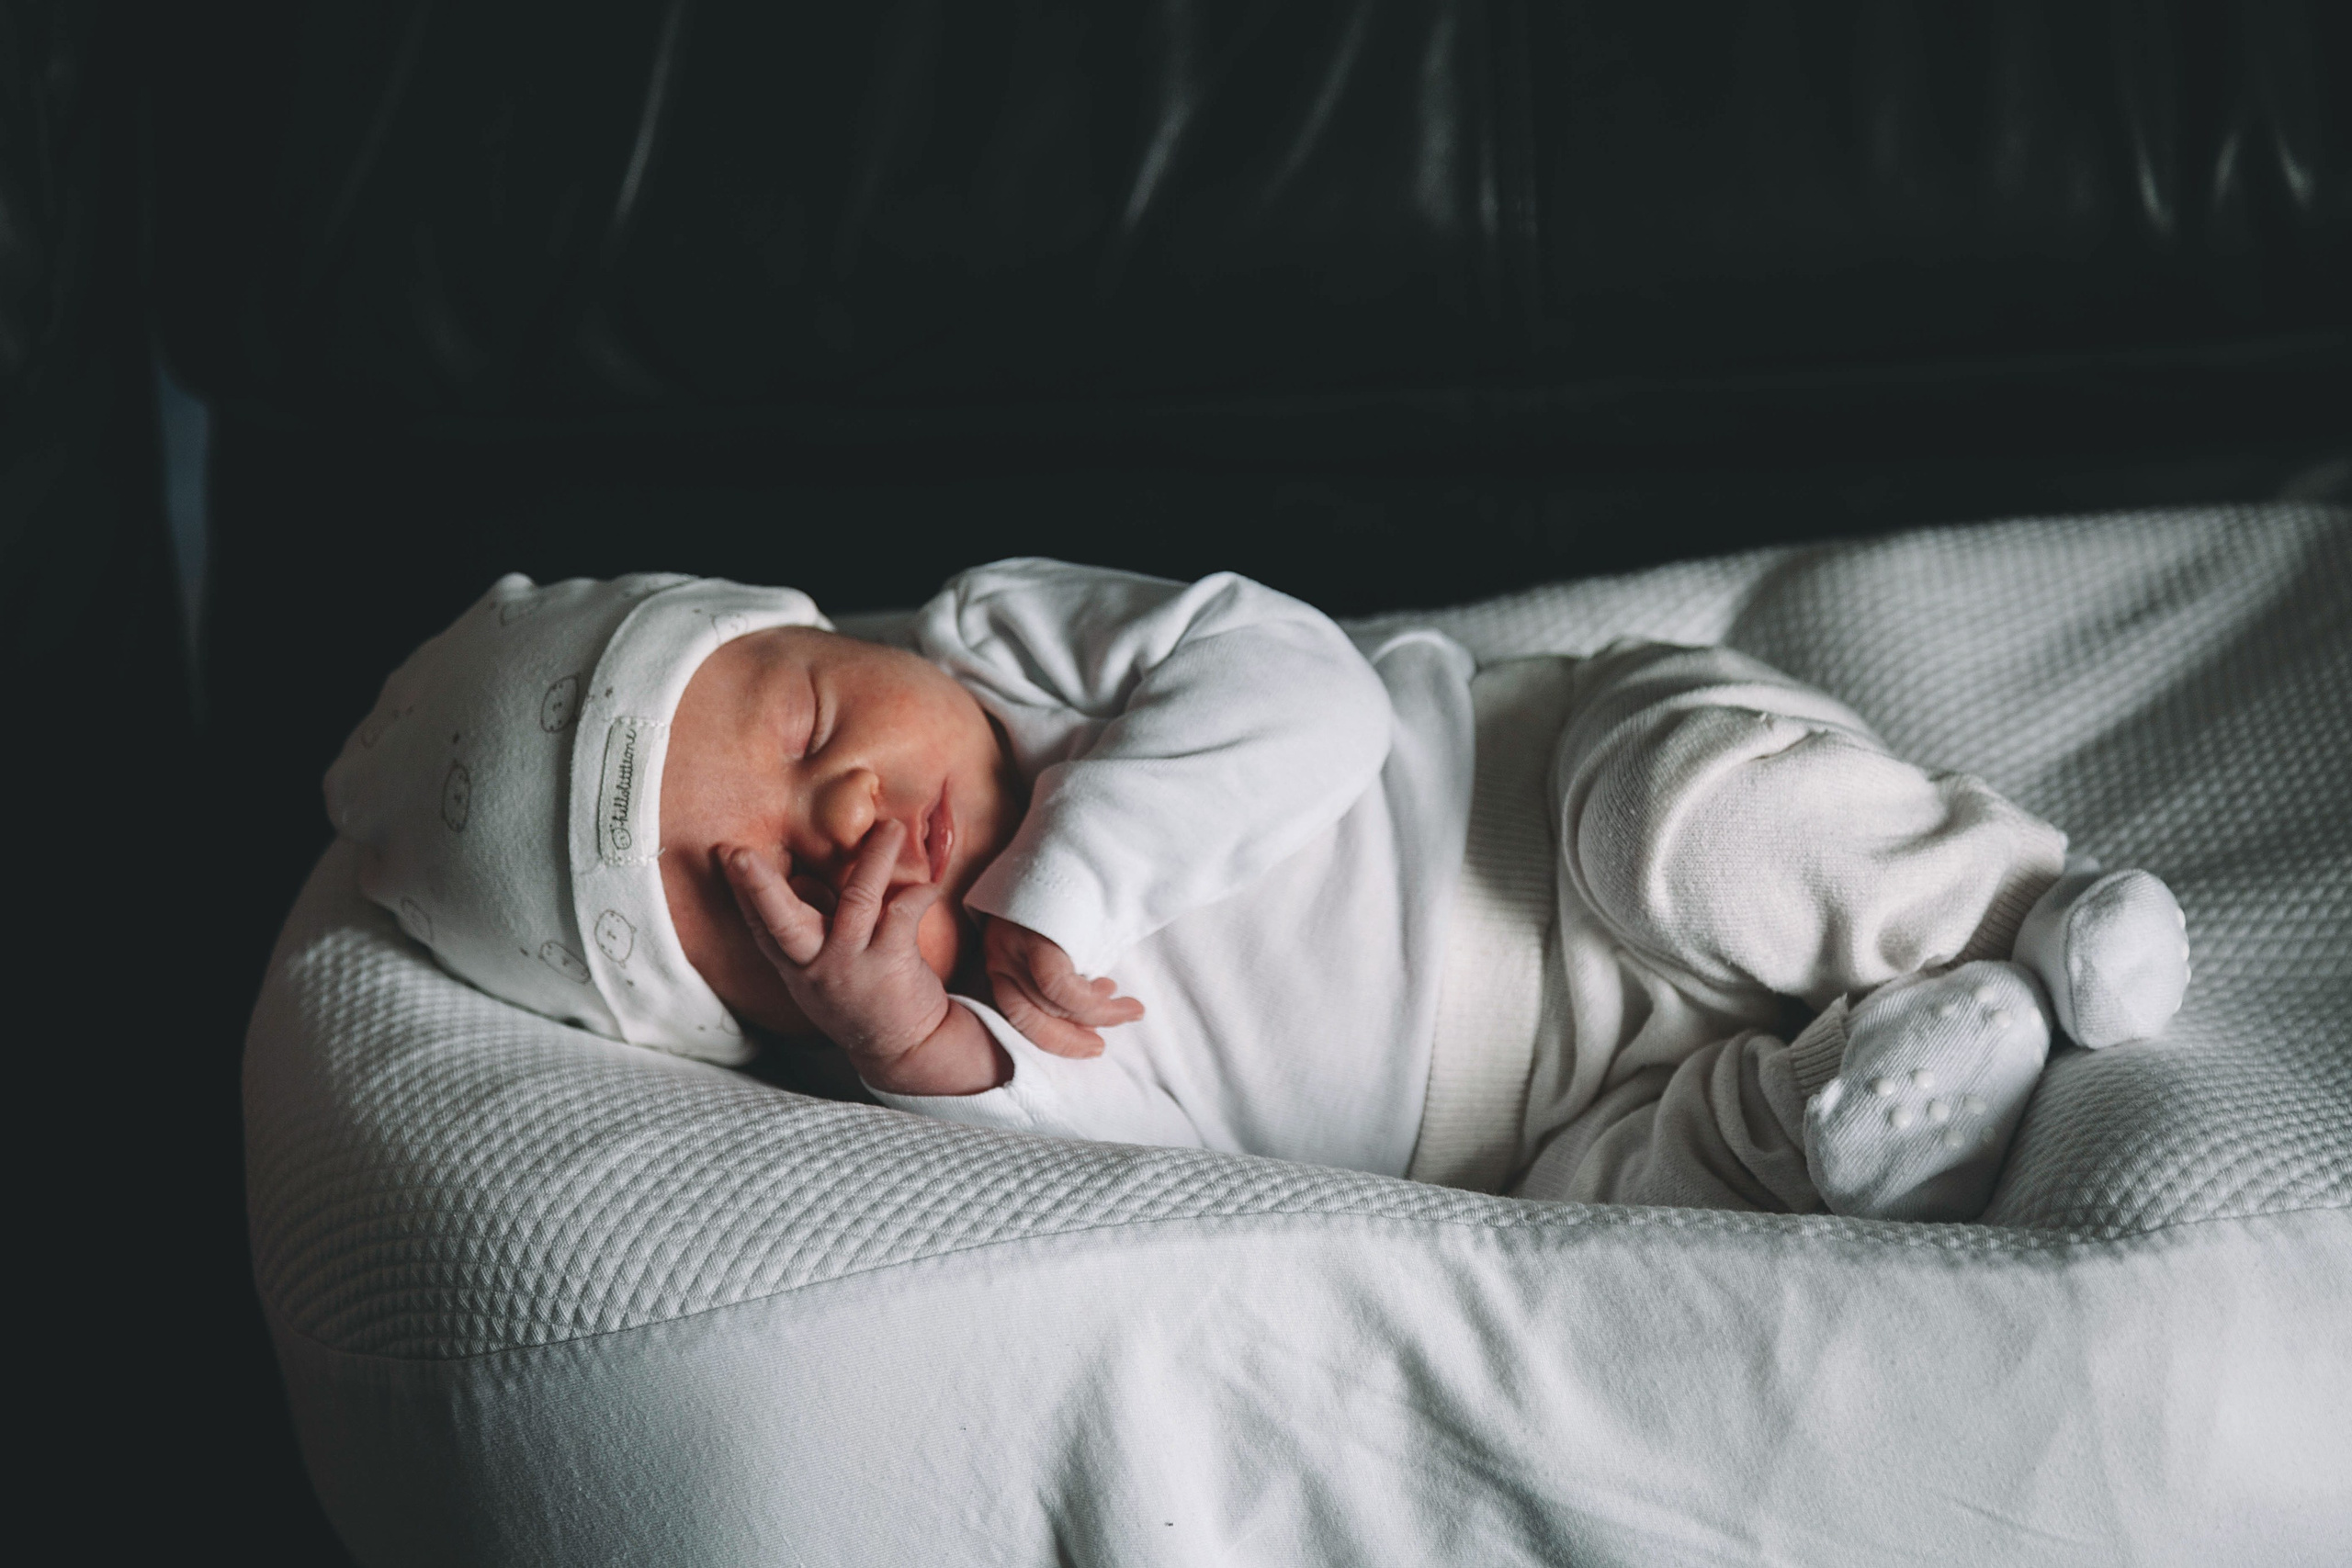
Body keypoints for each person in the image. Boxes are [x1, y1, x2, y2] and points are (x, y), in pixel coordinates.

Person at [325, 560, 2190, 1221]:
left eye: (812, 716)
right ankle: (1858, 1107)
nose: (860, 807)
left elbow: (1293, 685)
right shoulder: (917, 1052)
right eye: (775, 889)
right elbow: (1097, 1155)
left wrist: (1076, 879)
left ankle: (2005, 903)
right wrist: (906, 1025)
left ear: (812, 625)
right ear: (745, 1011)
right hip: (1519, 1115)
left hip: (1543, 819)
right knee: (1612, 1206)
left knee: (1704, 830)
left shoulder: (1007, 645)